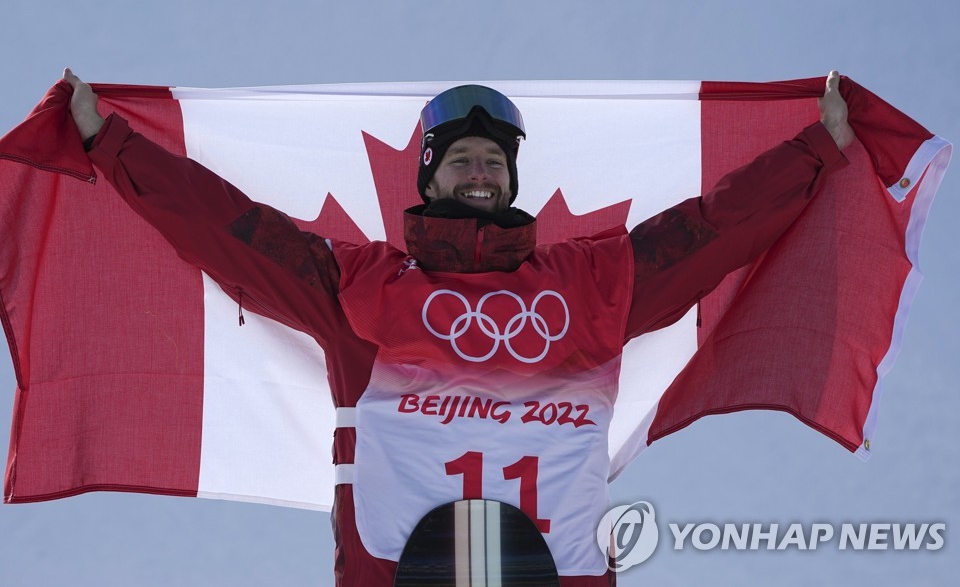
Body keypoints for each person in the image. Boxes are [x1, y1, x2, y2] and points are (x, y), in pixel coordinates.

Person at [64, 69, 854, 586]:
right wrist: (114, 143)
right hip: (400, 566)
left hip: (559, 567)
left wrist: (817, 150)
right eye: (462, 160)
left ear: (511, 179)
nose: (480, 174)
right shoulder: (364, 289)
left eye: (493, 162)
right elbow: (231, 230)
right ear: (431, 175)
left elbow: (711, 232)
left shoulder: (589, 283)